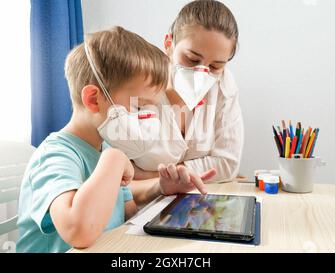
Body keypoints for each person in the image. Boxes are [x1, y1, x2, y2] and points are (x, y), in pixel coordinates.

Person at [16, 26, 214, 253]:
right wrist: (113, 160)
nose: (149, 119)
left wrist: (161, 187)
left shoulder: (106, 145)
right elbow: (78, 231)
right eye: (139, 106)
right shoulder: (54, 156)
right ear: (93, 99)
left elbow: (126, 210)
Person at [130, 0, 244, 196]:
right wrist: (161, 182)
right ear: (169, 44)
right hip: (141, 207)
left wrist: (151, 175)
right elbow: (119, 174)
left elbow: (228, 164)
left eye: (215, 66)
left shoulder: (224, 85)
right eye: (192, 59)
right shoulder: (135, 83)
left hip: (197, 203)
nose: (202, 72)